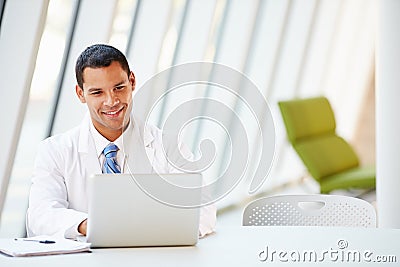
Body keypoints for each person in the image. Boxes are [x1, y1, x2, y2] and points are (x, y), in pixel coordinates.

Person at [27, 44, 216, 239]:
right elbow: (41, 214)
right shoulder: (55, 151)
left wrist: (146, 230)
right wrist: (92, 225)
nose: (111, 101)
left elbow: (202, 208)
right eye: (97, 93)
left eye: (119, 88)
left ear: (132, 81)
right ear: (80, 94)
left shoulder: (167, 146)